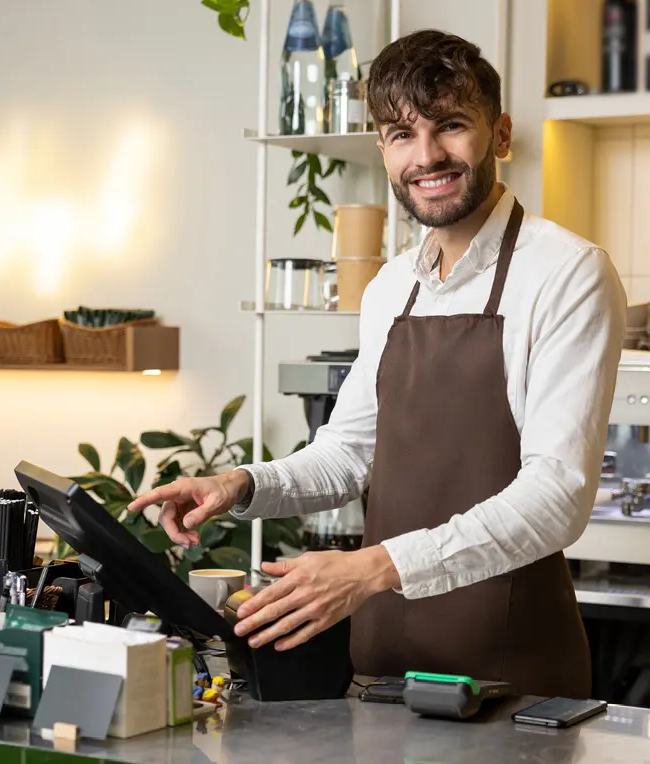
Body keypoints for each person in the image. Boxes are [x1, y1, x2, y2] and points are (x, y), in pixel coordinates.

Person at [128, 29, 627, 698]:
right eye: (401, 134)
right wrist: (240, 485)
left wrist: (373, 568)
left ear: (500, 134)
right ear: (383, 151)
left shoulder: (568, 273)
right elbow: (348, 453)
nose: (427, 156)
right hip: (381, 671)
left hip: (514, 683)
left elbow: (556, 498)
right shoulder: (393, 286)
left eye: (451, 126)